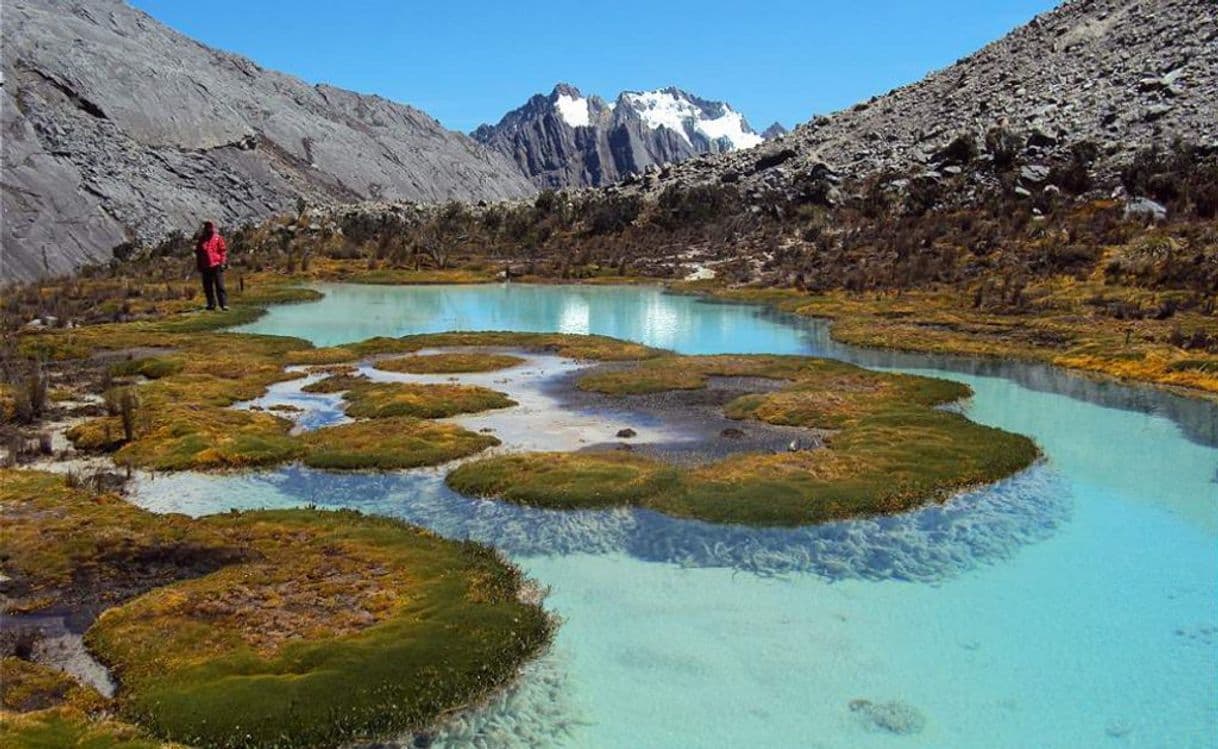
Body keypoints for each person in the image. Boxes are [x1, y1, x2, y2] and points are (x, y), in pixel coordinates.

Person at [195, 221, 229, 311]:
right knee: (207, 287)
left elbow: (223, 251)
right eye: (207, 227)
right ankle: (211, 304)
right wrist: (199, 265)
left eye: (210, 227)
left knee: (220, 285)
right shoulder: (201, 240)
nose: (209, 229)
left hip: (216, 265)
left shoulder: (218, 238)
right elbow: (198, 253)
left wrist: (223, 262)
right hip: (205, 266)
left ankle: (224, 304)